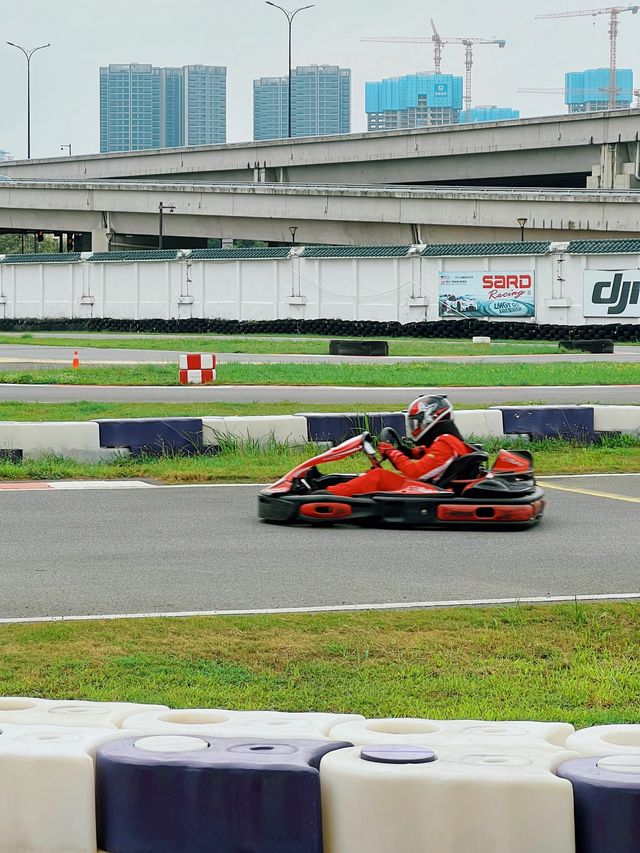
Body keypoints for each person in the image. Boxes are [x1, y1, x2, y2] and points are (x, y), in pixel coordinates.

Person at [326, 395, 473, 497]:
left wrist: (392, 452)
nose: (415, 428)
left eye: (417, 423)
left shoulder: (446, 442)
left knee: (378, 476)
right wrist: (406, 452)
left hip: (432, 490)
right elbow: (427, 454)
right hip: (433, 484)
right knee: (374, 475)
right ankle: (336, 488)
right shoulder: (450, 440)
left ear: (431, 420)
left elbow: (415, 473)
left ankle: (331, 495)